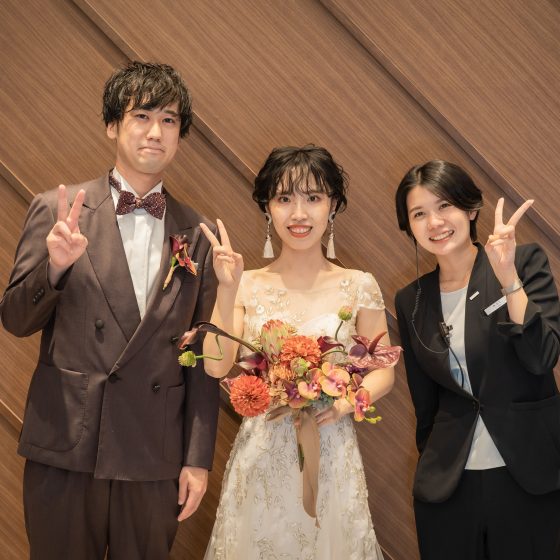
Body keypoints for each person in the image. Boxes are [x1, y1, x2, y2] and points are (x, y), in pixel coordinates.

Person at [0, 61, 220, 560]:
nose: (155, 132)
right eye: (141, 116)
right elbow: (14, 319)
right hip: (68, 442)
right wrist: (55, 268)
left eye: (169, 120)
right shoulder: (57, 211)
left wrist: (197, 458)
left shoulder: (197, 234)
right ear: (112, 125)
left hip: (154, 452)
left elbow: (202, 357)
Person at [198, 145, 393, 559]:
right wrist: (226, 289)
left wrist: (344, 403)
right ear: (268, 209)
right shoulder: (246, 284)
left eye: (313, 198)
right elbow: (215, 366)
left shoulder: (359, 285)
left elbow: (383, 370)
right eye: (284, 198)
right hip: (262, 456)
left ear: (332, 206)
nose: (299, 213)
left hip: (331, 448)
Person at [394, 160, 560, 559]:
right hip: (449, 487)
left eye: (444, 206)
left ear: (470, 209)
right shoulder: (411, 299)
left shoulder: (524, 263)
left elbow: (542, 358)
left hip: (529, 474)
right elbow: (425, 404)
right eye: (419, 214)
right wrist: (434, 469)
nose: (435, 222)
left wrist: (508, 278)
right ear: (409, 226)